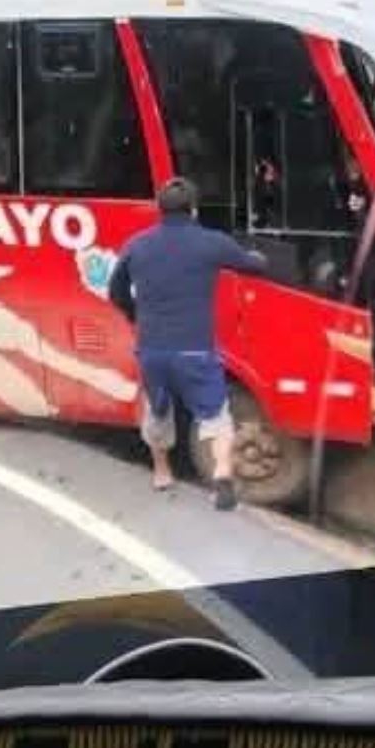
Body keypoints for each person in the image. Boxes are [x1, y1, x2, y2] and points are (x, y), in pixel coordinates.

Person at [107, 177, 266, 510]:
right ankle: (222, 471)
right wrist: (257, 255)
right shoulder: (210, 242)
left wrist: (135, 314)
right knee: (215, 415)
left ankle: (162, 472)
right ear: (194, 210)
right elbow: (253, 265)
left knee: (157, 410)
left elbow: (116, 291)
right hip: (195, 349)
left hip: (153, 348)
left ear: (159, 210)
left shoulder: (138, 245)